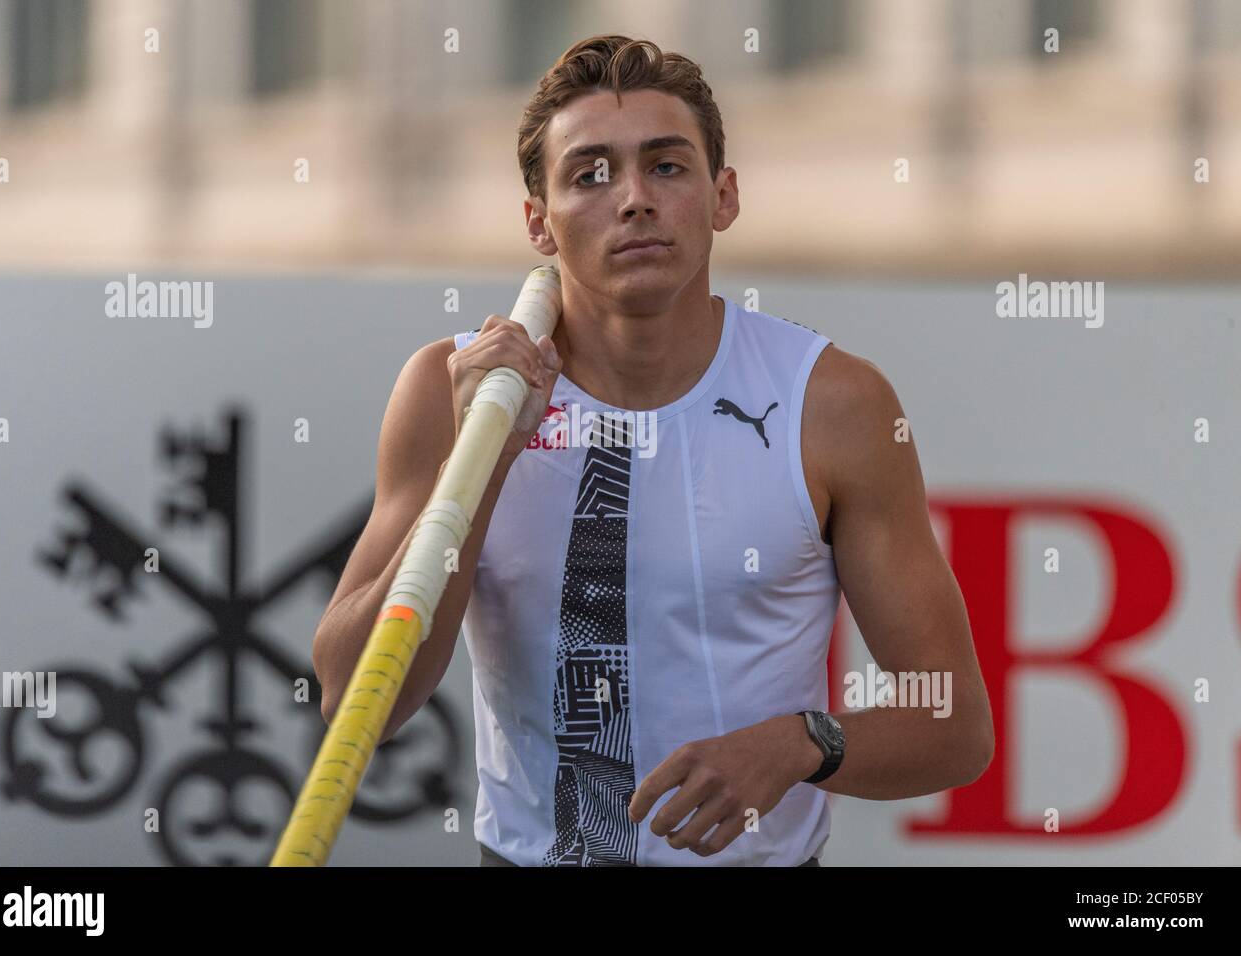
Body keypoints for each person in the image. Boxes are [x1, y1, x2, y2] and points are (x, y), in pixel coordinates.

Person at [313, 34, 993, 867]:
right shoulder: (452, 390)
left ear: (723, 197)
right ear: (539, 222)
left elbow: (954, 725)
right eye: (590, 173)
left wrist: (799, 744)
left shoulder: (834, 402)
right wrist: (485, 462)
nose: (633, 198)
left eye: (666, 166)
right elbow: (356, 698)